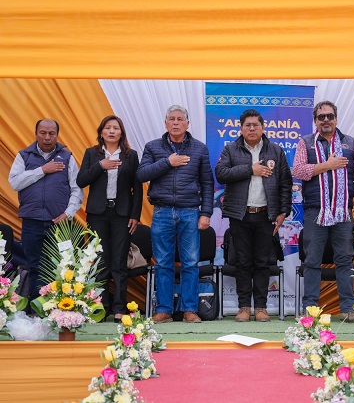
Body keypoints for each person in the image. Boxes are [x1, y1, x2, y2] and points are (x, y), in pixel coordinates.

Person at [292, 100, 354, 323]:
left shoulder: (350, 143)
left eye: (330, 116)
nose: (326, 120)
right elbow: (298, 171)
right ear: (315, 121)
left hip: (343, 212)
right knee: (312, 260)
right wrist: (327, 165)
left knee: (345, 259)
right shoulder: (305, 142)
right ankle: (310, 309)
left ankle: (348, 309)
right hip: (315, 211)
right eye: (321, 117)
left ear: (336, 118)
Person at [137, 105, 214, 324]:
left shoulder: (199, 148)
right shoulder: (152, 147)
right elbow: (141, 174)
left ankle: (189, 309)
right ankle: (164, 310)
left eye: (180, 119)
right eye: (172, 119)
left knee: (190, 263)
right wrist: (167, 162)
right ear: (165, 123)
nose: (176, 122)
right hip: (162, 211)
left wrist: (206, 213)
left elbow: (207, 183)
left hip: (190, 211)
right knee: (163, 263)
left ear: (188, 123)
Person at [215, 109, 293, 322]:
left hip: (266, 215)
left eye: (255, 125)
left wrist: (283, 211)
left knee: (262, 262)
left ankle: (260, 307)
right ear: (241, 128)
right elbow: (221, 174)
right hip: (239, 215)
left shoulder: (275, 150)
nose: (251, 129)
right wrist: (250, 169)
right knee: (242, 262)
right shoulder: (231, 149)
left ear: (262, 127)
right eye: (247, 125)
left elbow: (285, 183)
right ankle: (243, 307)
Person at [9, 119, 84, 305]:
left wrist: (68, 214)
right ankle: (36, 311)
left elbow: (77, 190)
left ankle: (58, 312)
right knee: (34, 266)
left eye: (52, 133)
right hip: (31, 222)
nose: (47, 137)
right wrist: (42, 170)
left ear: (57, 135)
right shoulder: (24, 156)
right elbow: (15, 182)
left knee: (61, 267)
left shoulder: (67, 157)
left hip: (59, 223)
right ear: (36, 134)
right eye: (43, 133)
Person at [77, 115, 143, 323]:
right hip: (98, 214)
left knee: (119, 262)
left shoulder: (131, 155)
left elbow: (137, 188)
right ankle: (101, 307)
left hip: (122, 214)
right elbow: (81, 180)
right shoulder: (92, 153)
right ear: (101, 132)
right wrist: (101, 165)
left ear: (121, 133)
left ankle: (119, 308)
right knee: (100, 261)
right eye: (108, 128)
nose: (112, 131)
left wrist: (135, 215)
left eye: (116, 128)